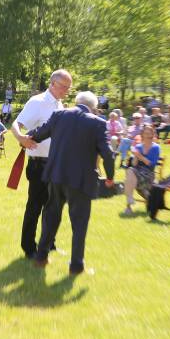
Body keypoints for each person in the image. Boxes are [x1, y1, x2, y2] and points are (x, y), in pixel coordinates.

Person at [28, 91, 116, 275]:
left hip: (55, 176)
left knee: (51, 216)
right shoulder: (98, 122)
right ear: (93, 107)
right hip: (80, 180)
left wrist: (25, 137)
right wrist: (110, 177)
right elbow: (107, 154)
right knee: (79, 222)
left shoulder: (60, 115)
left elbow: (39, 134)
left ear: (76, 102)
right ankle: (76, 266)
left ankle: (41, 257)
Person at [12, 69, 72, 259]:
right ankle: (29, 248)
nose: (66, 91)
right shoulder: (37, 102)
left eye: (68, 88)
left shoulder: (59, 104)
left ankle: (48, 244)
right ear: (52, 83)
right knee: (35, 207)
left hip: (56, 164)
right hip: (39, 165)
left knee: (52, 207)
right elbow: (16, 124)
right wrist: (21, 138)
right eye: (64, 87)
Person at [123, 123, 160, 215]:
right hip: (137, 171)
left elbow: (151, 164)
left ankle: (129, 206)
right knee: (130, 171)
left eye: (149, 133)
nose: (147, 135)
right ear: (142, 134)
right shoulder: (139, 146)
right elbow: (134, 164)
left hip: (149, 174)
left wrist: (140, 156)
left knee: (129, 177)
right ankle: (130, 200)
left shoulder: (156, 147)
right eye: (145, 133)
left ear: (152, 134)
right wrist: (135, 156)